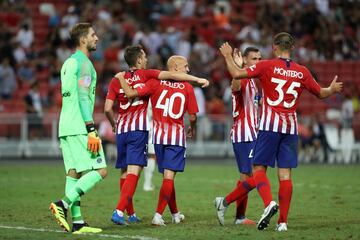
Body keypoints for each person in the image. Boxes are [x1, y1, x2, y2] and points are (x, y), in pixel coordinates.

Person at [217, 32, 342, 231]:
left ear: (275, 47)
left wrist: (227, 57)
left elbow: (237, 74)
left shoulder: (267, 65)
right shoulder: (302, 71)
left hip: (269, 126)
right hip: (291, 128)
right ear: (292, 47)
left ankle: (268, 204)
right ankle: (282, 223)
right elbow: (320, 93)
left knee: (258, 170)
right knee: (285, 176)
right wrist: (332, 89)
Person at [106, 46, 208, 226]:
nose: (188, 69)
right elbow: (192, 115)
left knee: (128, 172)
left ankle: (168, 213)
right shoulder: (156, 78)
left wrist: (121, 80)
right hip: (169, 135)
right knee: (165, 176)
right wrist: (197, 80)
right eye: (185, 66)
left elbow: (112, 105)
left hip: (145, 134)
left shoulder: (150, 83)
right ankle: (147, 214)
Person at [49, 23, 107, 234]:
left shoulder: (68, 63)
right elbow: (82, 97)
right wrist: (91, 129)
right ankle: (62, 204)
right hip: (80, 126)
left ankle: (78, 222)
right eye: (93, 35)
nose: (97, 38)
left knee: (73, 174)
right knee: (100, 170)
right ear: (83, 40)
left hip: (66, 125)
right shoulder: (84, 65)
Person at [214, 47, 261, 226]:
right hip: (244, 134)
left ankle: (239, 217)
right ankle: (225, 203)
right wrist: (235, 66)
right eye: (254, 59)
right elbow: (235, 86)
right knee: (255, 177)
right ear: (246, 61)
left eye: (259, 58)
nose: (258, 62)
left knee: (247, 177)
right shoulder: (242, 79)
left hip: (252, 134)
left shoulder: (252, 81)